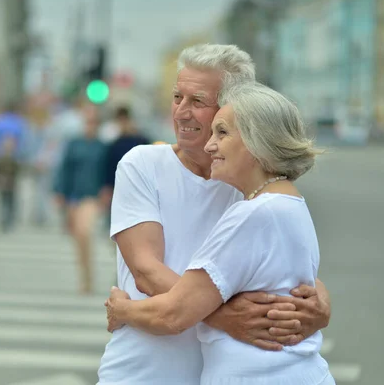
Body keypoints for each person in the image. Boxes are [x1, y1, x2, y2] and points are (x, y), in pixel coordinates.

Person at [96, 44, 331, 385]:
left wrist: (320, 305)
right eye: (178, 97)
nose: (181, 112)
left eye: (198, 102)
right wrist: (226, 318)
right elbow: (146, 273)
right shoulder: (143, 165)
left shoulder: (251, 189)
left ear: (234, 109)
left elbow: (283, 267)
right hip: (144, 371)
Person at [54, 107, 107, 294]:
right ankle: (84, 277)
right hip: (73, 197)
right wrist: (59, 192)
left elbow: (107, 174)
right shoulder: (74, 144)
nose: (90, 126)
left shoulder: (102, 147)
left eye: (94, 122)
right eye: (88, 122)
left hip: (91, 198)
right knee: (78, 239)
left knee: (85, 232)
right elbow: (64, 169)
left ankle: (88, 278)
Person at [99, 106, 150, 210]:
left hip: (139, 188)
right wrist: (107, 189)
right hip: (119, 189)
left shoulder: (142, 142)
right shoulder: (114, 145)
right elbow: (109, 169)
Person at [0, 137, 20, 232]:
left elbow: (17, 172)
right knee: (4, 203)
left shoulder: (14, 159)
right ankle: (4, 221)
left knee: (10, 204)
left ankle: (8, 221)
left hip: (10, 185)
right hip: (3, 185)